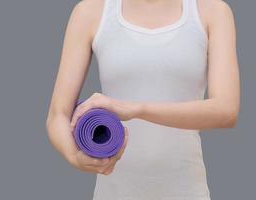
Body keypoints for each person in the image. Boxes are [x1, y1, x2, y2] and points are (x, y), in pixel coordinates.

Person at [46, 0, 240, 199]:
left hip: (187, 192)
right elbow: (58, 114)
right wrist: (74, 157)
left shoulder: (212, 11)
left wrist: (137, 109)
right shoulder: (90, 12)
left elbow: (226, 111)